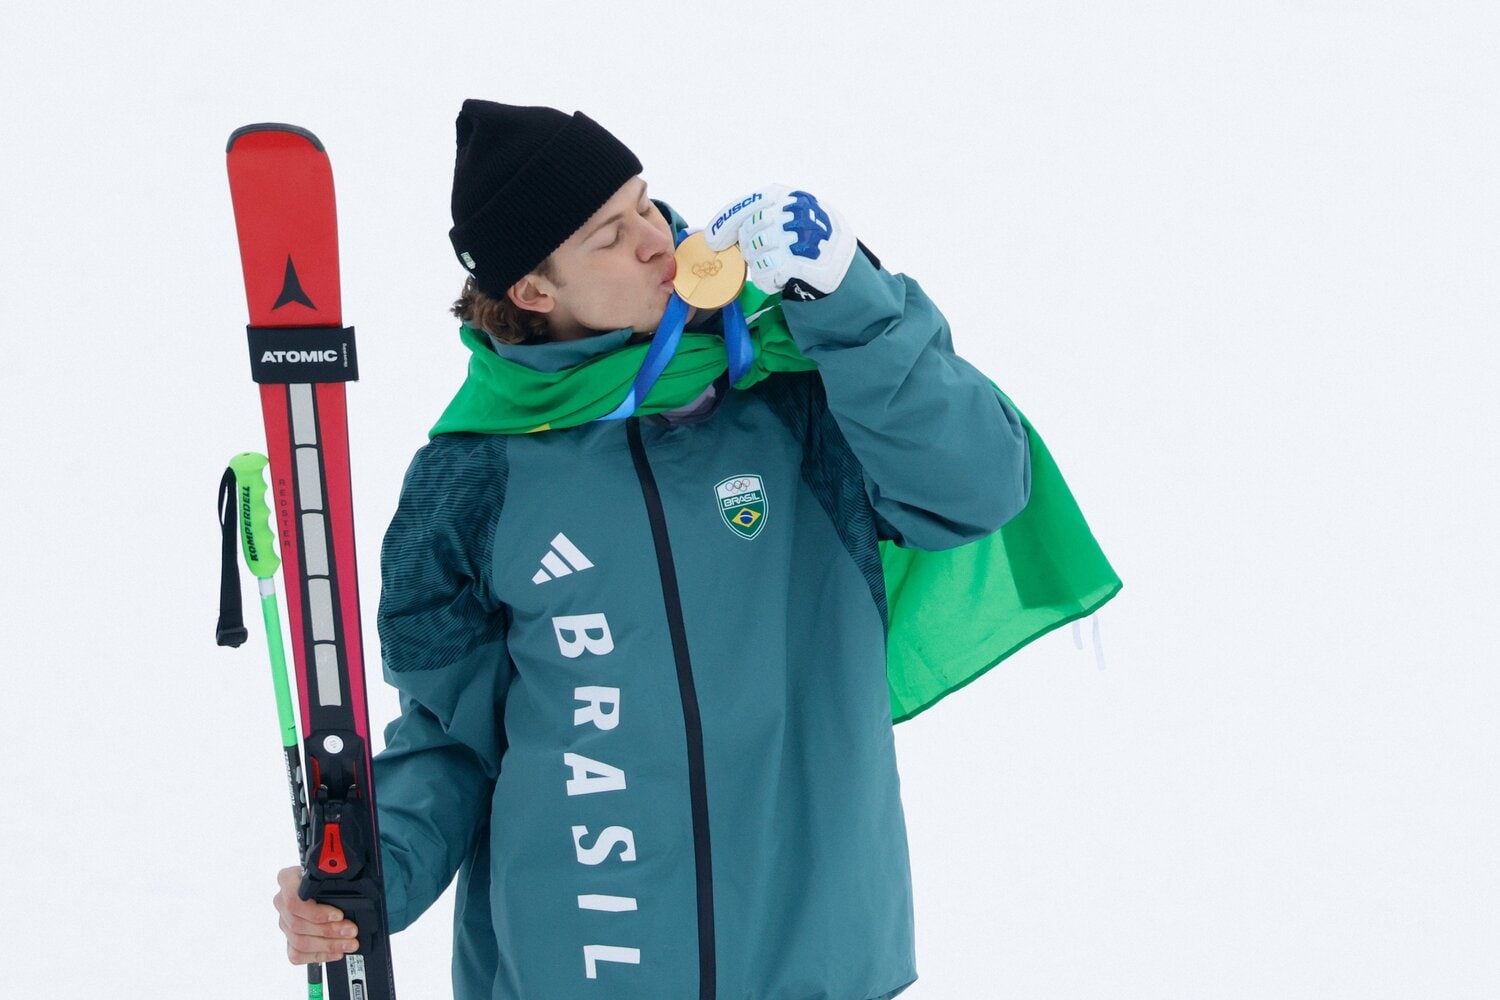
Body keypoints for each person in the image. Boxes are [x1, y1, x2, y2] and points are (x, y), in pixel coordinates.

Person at [273, 99, 1034, 1000]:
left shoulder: (793, 388)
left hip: (817, 965)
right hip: (580, 970)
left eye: (647, 203)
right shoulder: (472, 474)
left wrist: (848, 296)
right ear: (533, 291)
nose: (655, 239)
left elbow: (976, 490)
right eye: (608, 234)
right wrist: (378, 872)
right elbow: (450, 735)